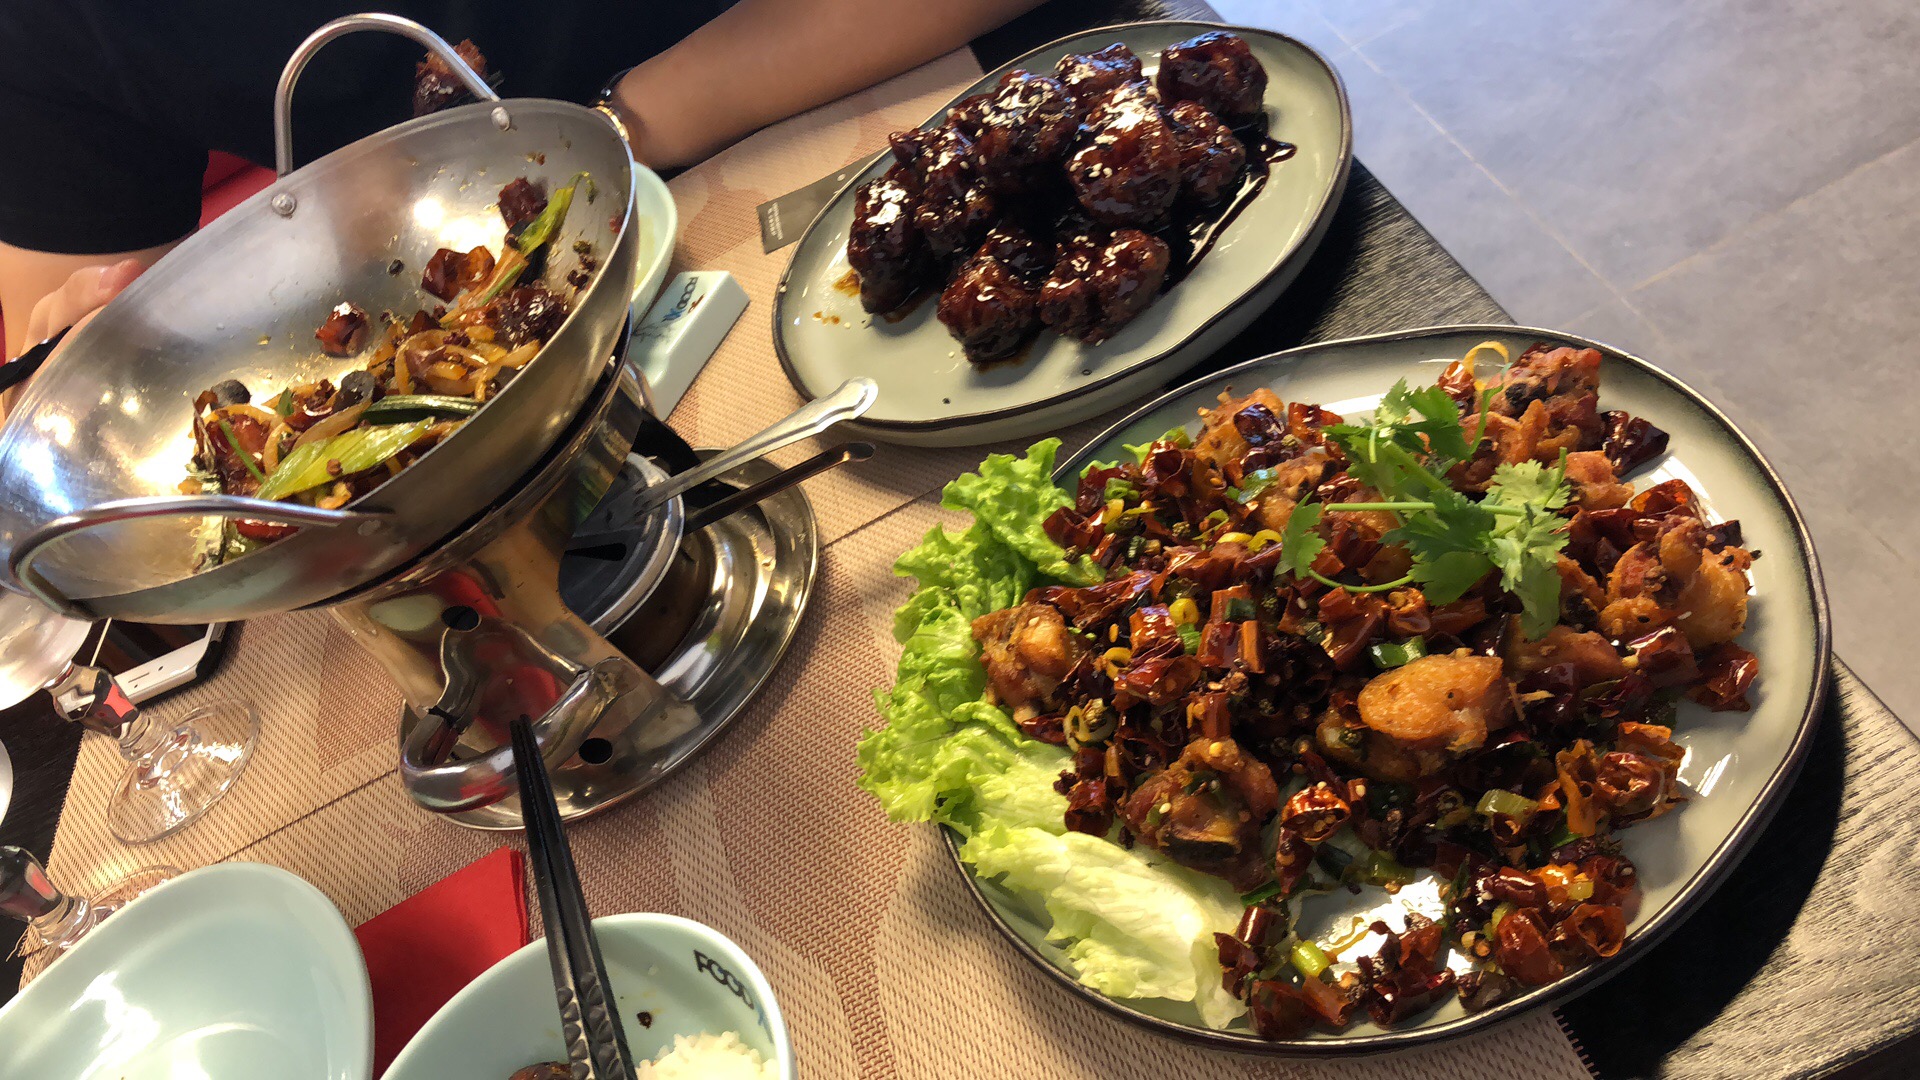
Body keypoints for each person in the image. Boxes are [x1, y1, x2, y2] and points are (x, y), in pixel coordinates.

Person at [0, 0, 1044, 360]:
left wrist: (616, 129)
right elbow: (66, 324)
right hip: (489, 334)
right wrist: (100, 346)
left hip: (884, 103)